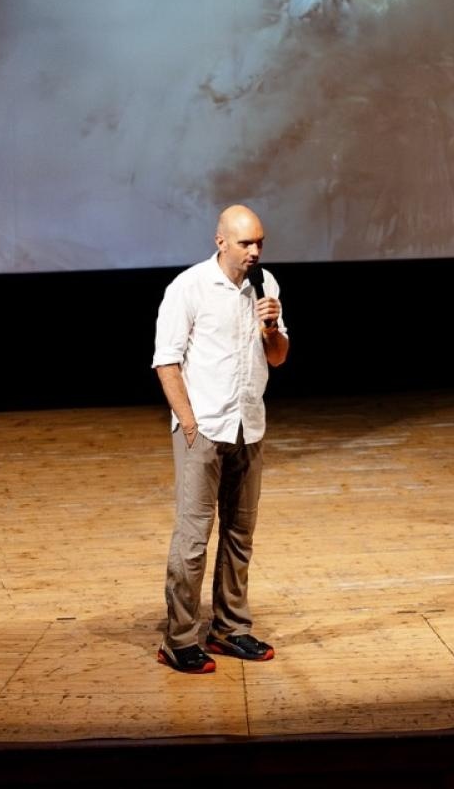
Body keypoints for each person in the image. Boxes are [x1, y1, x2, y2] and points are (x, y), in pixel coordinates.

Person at [153, 204, 289, 672]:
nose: (255, 252)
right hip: (205, 428)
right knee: (193, 539)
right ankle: (178, 638)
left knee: (239, 533)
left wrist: (270, 327)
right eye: (246, 243)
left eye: (260, 243)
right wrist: (189, 424)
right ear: (221, 242)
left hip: (248, 425)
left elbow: (278, 356)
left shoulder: (265, 286)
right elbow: (166, 361)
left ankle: (229, 628)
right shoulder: (188, 287)